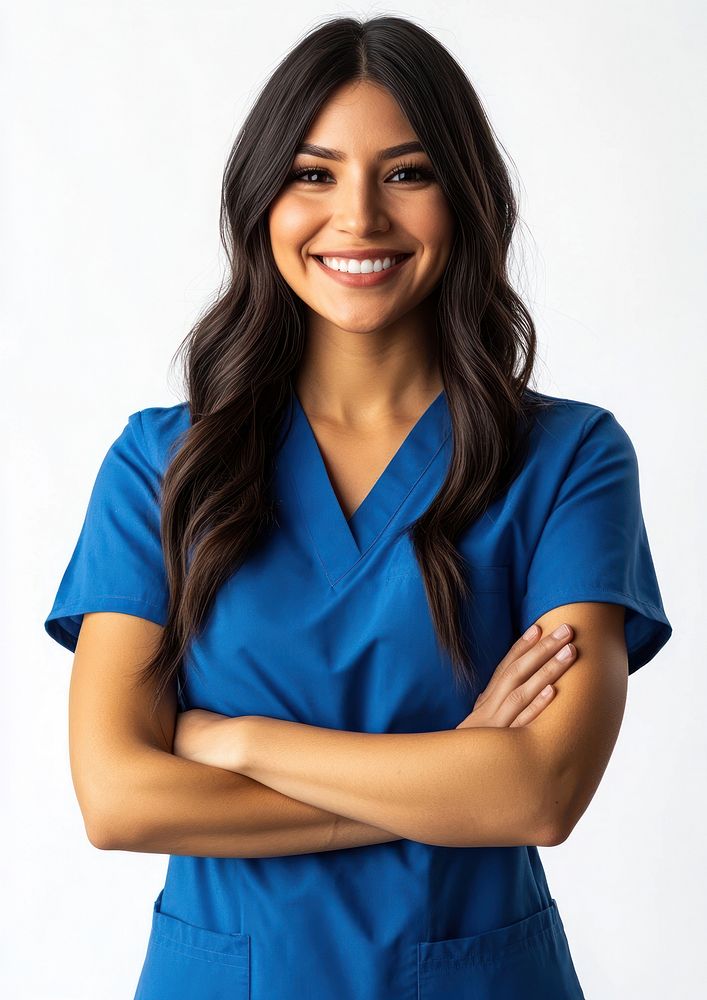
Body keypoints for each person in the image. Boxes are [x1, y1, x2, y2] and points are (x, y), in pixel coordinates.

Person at [43, 15, 672, 1000]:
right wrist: (450, 780)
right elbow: (119, 799)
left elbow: (540, 792)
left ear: (464, 198)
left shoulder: (567, 460)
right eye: (313, 173)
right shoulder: (162, 465)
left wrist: (233, 740)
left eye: (406, 173)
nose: (358, 218)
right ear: (263, 199)